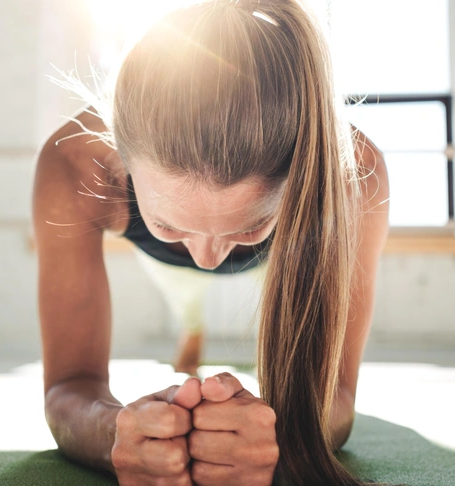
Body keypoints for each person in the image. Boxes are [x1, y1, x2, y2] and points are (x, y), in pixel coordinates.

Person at [32, 0, 389, 484]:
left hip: (286, 246)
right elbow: (69, 386)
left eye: (247, 228)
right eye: (171, 226)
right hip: (157, 262)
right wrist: (117, 433)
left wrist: (280, 438)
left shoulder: (354, 175)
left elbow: (339, 397)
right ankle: (190, 314)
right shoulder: (74, 164)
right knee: (184, 294)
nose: (208, 256)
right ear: (121, 157)